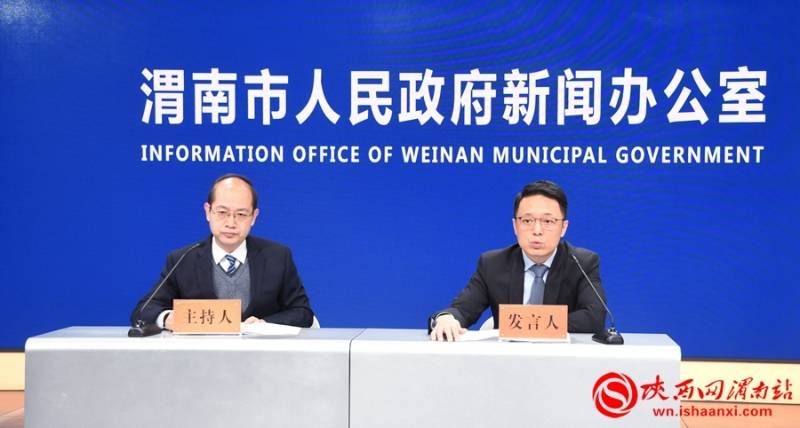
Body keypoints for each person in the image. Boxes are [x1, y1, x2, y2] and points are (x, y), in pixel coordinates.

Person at [131, 173, 314, 329]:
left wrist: (265, 324)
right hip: (201, 357)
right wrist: (167, 318)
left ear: (254, 217)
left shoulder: (277, 257)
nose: (231, 223)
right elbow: (143, 310)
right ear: (208, 211)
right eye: (222, 212)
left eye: (241, 214)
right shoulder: (183, 259)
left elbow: (303, 312)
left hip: (262, 355)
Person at [429, 180, 606, 341]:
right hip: (507, 360)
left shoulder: (582, 262)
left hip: (564, 358)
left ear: (563, 227)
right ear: (515, 226)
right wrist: (445, 318)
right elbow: (462, 309)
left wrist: (524, 324)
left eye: (548, 221)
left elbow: (594, 317)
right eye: (527, 220)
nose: (537, 230)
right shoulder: (493, 264)